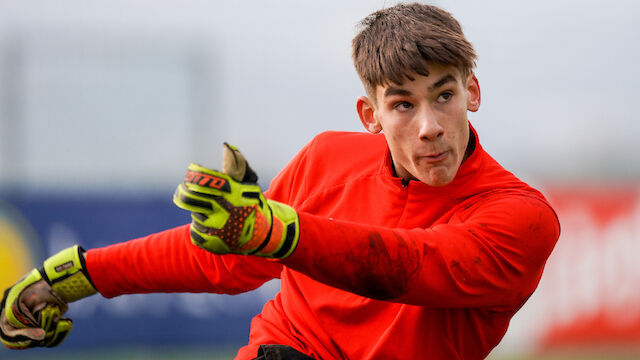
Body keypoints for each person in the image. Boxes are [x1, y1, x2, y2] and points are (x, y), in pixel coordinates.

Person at [0, 3, 560, 359]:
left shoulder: (521, 217)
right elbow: (223, 259)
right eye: (402, 105)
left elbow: (409, 266)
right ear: (370, 116)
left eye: (444, 94)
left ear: (473, 93)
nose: (430, 126)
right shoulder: (326, 157)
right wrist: (76, 276)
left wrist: (277, 233)